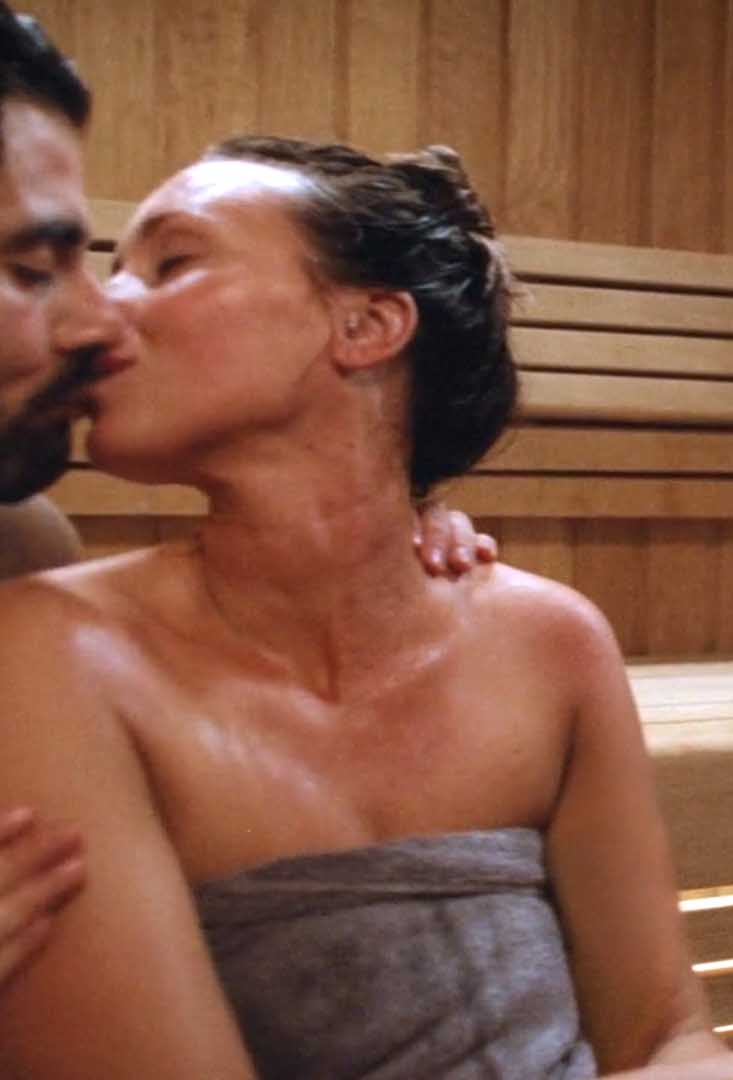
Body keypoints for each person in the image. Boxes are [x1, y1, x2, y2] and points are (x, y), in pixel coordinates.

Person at [0, 133, 733, 1079]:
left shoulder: (548, 644)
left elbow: (662, 1038)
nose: (96, 314)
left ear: (366, 326)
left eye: (173, 263)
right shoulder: (55, 653)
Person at [0, 3, 501, 994]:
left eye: (166, 265)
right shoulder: (42, 639)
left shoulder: (21, 552)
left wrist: (374, 555)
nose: (100, 322)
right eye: (27, 270)